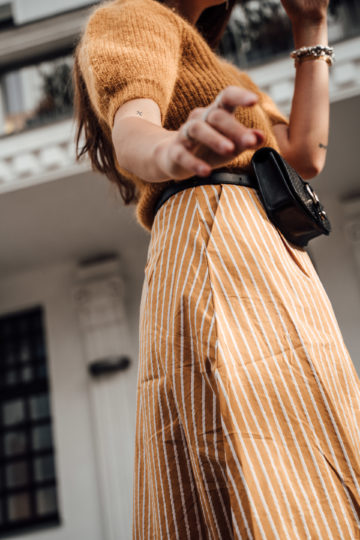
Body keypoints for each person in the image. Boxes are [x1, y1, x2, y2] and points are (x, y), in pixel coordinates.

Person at [73, 0, 360, 537]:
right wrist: (174, 151)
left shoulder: (217, 67)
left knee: (304, 439)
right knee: (252, 446)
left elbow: (303, 157)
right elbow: (133, 129)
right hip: (217, 233)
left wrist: (311, 25)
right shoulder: (133, 16)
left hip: (264, 251)